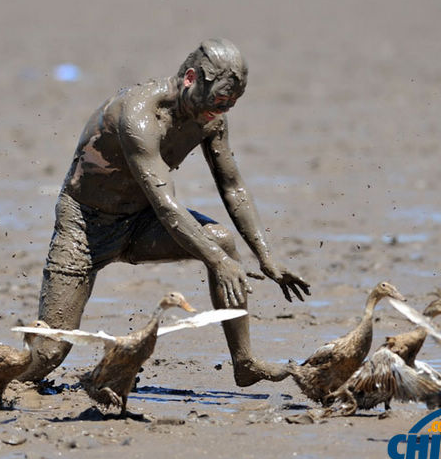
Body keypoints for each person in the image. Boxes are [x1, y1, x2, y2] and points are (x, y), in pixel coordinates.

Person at [20, 38, 311, 386]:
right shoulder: (140, 115)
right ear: (190, 78)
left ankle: (244, 363)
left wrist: (265, 256)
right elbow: (166, 204)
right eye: (219, 99)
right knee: (51, 353)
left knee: (219, 239)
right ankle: (6, 383)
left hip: (140, 223)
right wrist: (219, 262)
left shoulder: (210, 118)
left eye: (232, 103)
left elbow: (232, 186)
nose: (223, 110)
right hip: (85, 225)